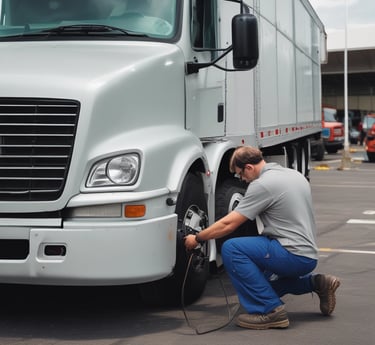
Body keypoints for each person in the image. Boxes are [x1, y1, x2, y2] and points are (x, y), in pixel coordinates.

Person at [185, 146, 341, 330]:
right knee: (262, 288)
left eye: (240, 174)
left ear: (249, 167)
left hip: (290, 254)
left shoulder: (262, 185)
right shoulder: (294, 175)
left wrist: (198, 238)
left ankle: (271, 312)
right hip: (308, 255)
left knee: (232, 248)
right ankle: (318, 283)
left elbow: (229, 224)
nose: (241, 179)